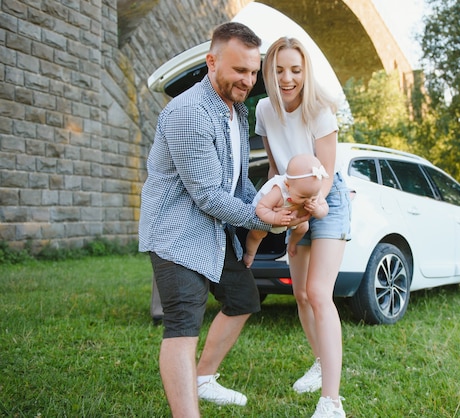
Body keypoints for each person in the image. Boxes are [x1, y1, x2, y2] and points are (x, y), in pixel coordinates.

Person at [138, 22, 298, 418]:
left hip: (213, 232)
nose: (248, 80)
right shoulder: (189, 112)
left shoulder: (237, 112)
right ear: (211, 62)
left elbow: (237, 182)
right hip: (177, 234)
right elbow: (208, 195)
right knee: (183, 324)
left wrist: (268, 209)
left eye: (253, 71)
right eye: (238, 70)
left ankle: (202, 379)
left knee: (243, 298)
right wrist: (262, 217)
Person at [255, 37, 352, 418]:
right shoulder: (264, 109)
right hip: (293, 199)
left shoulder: (320, 111)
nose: (287, 78)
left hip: (327, 201)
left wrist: (311, 211)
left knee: (318, 292)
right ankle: (319, 362)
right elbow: (276, 169)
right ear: (269, 72)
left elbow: (325, 178)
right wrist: (276, 210)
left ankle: (332, 402)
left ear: (305, 71)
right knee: (300, 294)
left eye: (295, 69)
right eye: (279, 70)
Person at [244, 153, 330, 268]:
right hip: (268, 216)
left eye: (313, 197)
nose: (308, 200)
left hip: (295, 218)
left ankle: (292, 242)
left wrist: (317, 209)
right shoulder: (278, 191)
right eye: (303, 197)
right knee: (257, 233)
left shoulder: (311, 190)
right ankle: (250, 254)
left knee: (304, 227)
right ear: (287, 185)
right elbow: (261, 208)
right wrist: (276, 218)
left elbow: (324, 209)